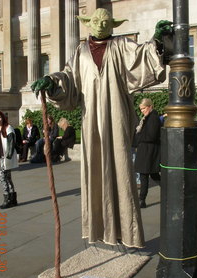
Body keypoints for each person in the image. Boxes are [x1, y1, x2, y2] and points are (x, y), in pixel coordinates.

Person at [31, 8, 172, 248]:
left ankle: (127, 233)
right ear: (87, 23)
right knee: (94, 171)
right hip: (91, 121)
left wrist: (157, 41)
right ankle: (100, 231)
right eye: (96, 21)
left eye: (105, 21)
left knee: (121, 172)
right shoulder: (80, 52)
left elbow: (140, 58)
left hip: (116, 118)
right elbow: (69, 78)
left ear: (112, 24)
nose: (100, 25)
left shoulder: (121, 45)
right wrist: (52, 82)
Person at [135, 98, 161, 208]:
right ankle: (169, 191)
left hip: (149, 151)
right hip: (146, 151)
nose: (142, 111)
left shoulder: (153, 118)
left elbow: (151, 135)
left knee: (144, 175)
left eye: (144, 108)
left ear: (150, 106)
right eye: (141, 109)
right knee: (153, 175)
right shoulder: (148, 117)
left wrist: (139, 137)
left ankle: (142, 200)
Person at [0, 111, 18, 209]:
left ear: (3, 118)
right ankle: (13, 199)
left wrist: (8, 156)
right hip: (1, 158)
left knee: (2, 178)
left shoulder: (8, 128)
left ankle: (7, 199)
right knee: (8, 178)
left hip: (7, 158)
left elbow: (12, 142)